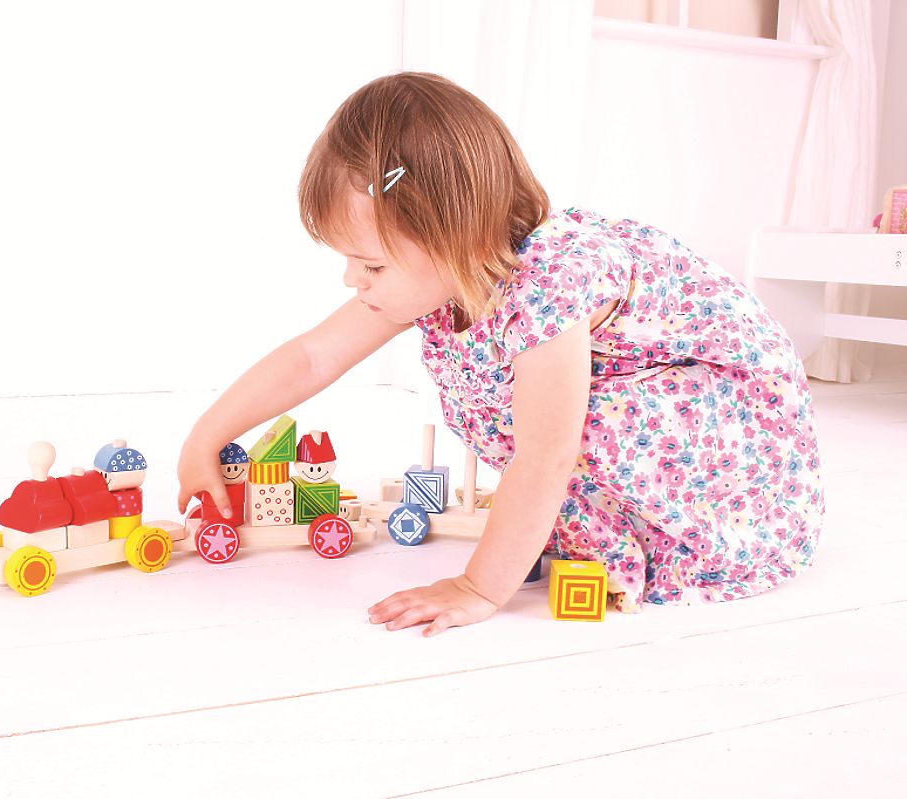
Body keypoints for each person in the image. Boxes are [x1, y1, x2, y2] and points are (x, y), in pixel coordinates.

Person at [176, 71, 824, 637]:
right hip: (638, 394)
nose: (353, 280)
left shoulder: (547, 288)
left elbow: (546, 454)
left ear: (454, 237)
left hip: (725, 425)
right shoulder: (442, 272)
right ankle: (574, 526)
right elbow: (314, 356)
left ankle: (644, 537)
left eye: (370, 264)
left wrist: (480, 586)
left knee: (558, 424)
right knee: (544, 417)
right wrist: (208, 435)